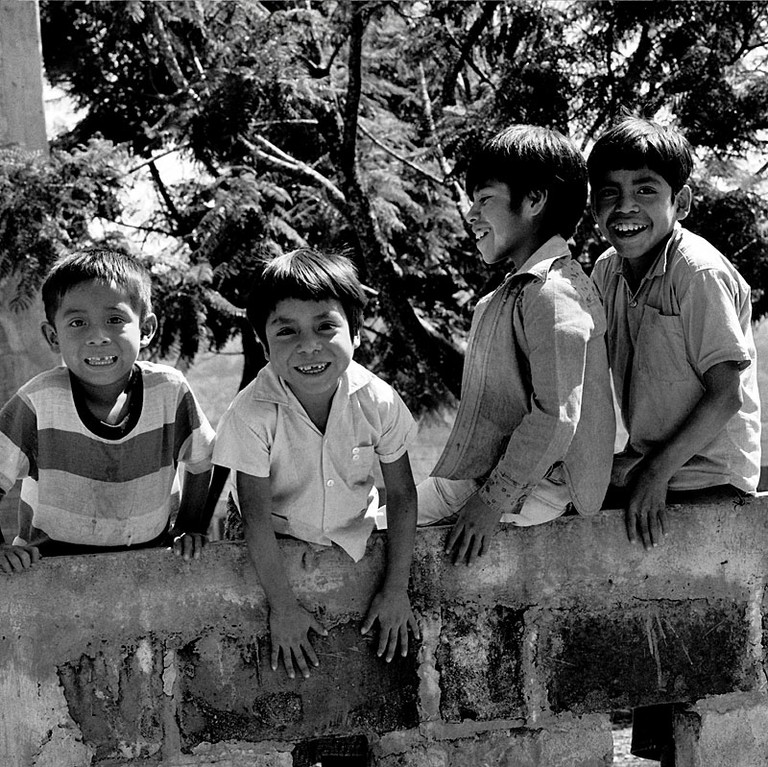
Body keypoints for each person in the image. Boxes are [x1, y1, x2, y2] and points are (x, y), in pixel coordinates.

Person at [588, 117, 761, 765]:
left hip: (703, 473)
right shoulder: (608, 270)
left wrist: (655, 473)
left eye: (645, 190)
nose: (625, 207)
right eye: (609, 192)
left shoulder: (699, 272)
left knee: (687, 649)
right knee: (648, 641)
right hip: (650, 467)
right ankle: (659, 741)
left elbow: (726, 393)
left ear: (680, 201)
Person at [212, 247, 420, 680]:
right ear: (262, 343)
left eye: (326, 326)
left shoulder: (378, 401)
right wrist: (283, 607)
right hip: (273, 549)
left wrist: (396, 589)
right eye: (286, 331)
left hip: (354, 544)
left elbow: (402, 494)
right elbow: (254, 517)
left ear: (356, 333)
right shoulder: (252, 414)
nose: (308, 345)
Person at [413, 124, 615, 566]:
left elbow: (556, 416)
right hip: (504, 479)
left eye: (484, 199)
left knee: (374, 531)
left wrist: (490, 502)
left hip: (534, 488)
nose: (471, 215)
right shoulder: (526, 287)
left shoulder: (553, 292)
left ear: (534, 200)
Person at [0, 248, 215, 574]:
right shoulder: (39, 402)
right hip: (50, 572)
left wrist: (189, 526)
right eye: (78, 323)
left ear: (146, 329)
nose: (98, 337)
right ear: (53, 336)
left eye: (115, 320)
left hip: (149, 564)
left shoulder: (169, 392)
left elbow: (202, 458)